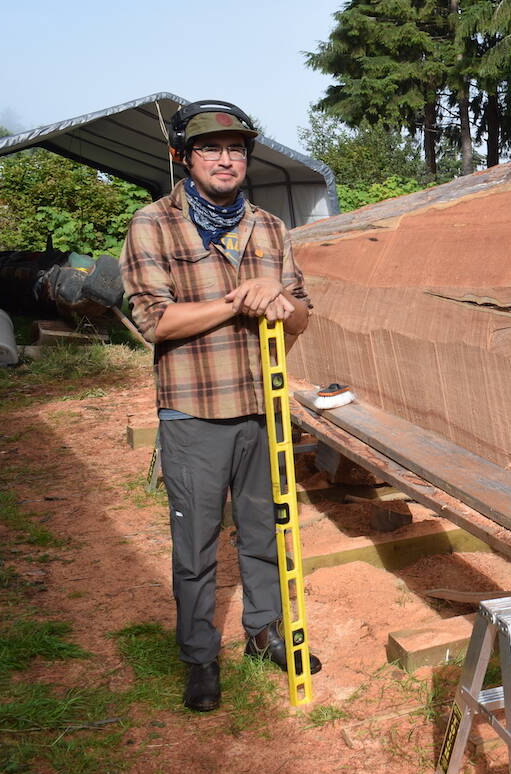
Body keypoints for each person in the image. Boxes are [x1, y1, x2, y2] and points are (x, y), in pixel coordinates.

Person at [121, 100, 321, 712]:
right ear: (185, 157)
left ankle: (264, 632)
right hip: (193, 413)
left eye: (235, 148)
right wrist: (241, 301)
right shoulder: (153, 224)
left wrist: (283, 304)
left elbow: (301, 316)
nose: (226, 158)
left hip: (263, 408)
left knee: (265, 532)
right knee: (196, 547)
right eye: (211, 148)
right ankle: (200, 657)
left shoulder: (269, 227)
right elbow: (155, 321)